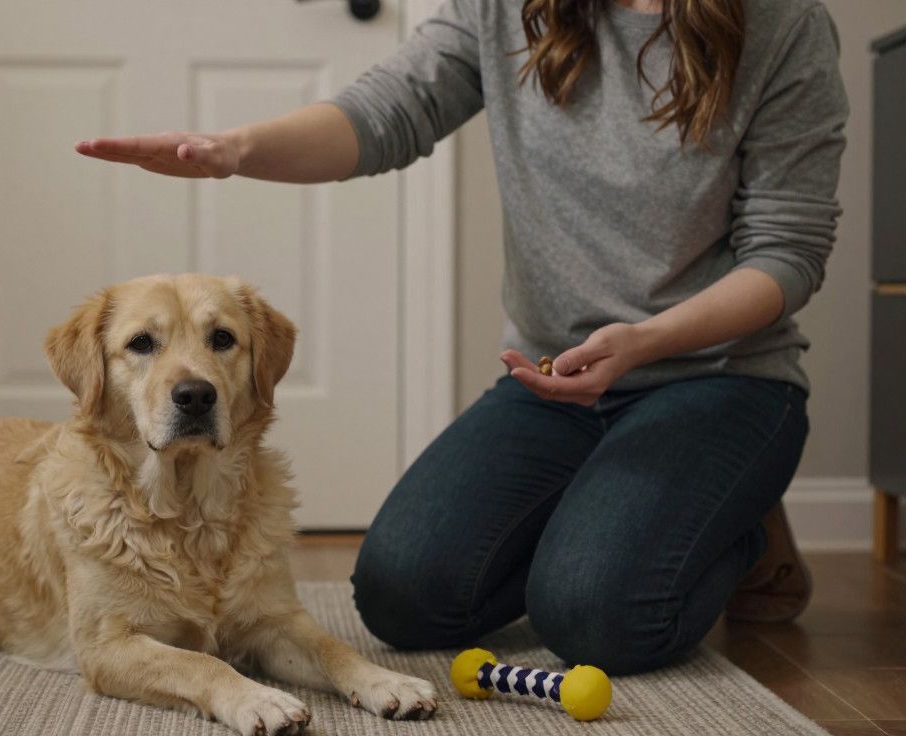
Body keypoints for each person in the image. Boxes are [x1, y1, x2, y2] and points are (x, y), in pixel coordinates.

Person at [75, 0, 847, 675]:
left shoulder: (784, 22)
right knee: (403, 597)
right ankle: (615, 516)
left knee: (595, 618)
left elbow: (788, 253)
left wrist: (644, 343)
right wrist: (234, 153)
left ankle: (739, 529)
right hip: (554, 381)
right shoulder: (508, 7)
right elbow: (385, 112)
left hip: (717, 379)